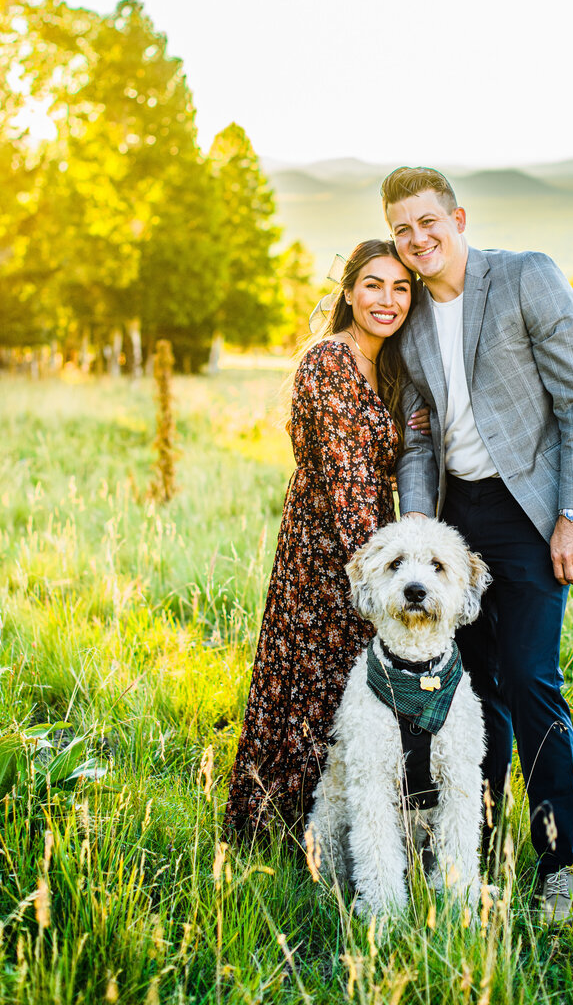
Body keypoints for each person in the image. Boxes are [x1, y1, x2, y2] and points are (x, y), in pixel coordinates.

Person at [381, 167, 573, 922]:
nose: (417, 240)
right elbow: (419, 439)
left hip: (535, 512)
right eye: (402, 231)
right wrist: (420, 535)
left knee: (529, 680)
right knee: (472, 690)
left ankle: (562, 859)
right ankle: (475, 847)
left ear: (457, 217)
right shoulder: (410, 318)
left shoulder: (525, 279)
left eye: (428, 223)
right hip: (459, 523)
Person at [224, 239, 421, 834]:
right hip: (327, 545)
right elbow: (348, 478)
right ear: (349, 291)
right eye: (373, 285)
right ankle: (289, 825)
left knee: (353, 681)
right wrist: (382, 573)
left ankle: (356, 821)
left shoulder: (387, 363)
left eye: (401, 288)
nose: (387, 300)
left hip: (368, 538)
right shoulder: (328, 361)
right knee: (319, 678)